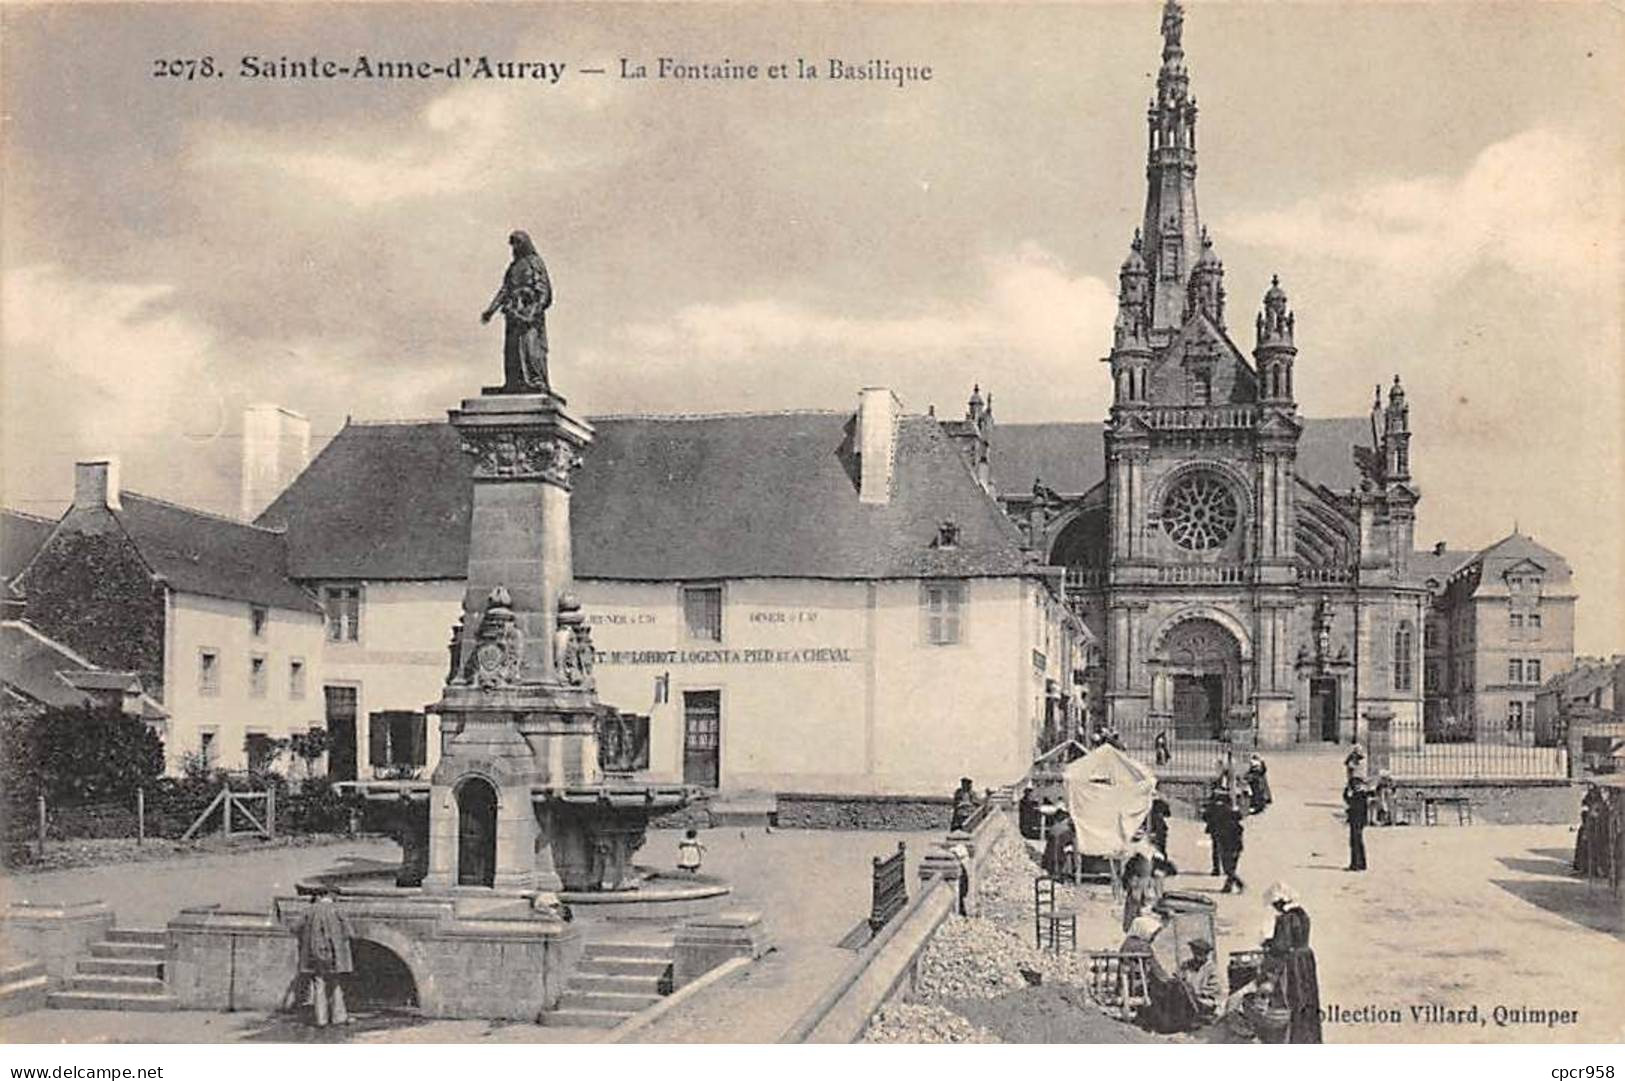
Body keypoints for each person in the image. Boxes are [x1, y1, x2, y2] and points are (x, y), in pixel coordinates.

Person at [481, 229, 553, 393]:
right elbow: (505, 290)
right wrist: (491, 310)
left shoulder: (534, 262)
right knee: (512, 349)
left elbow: (544, 289)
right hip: (513, 312)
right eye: (513, 244)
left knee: (530, 347)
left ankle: (535, 380)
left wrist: (536, 309)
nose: (515, 247)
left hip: (529, 313)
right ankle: (514, 382)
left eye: (517, 243)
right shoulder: (513, 267)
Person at [1260, 882, 1323, 1043]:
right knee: (1307, 997)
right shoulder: (1302, 914)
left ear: (1281, 902)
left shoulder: (1285, 919)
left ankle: (1295, 1037)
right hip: (1306, 959)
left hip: (1293, 962)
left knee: (1293, 998)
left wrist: (1268, 945)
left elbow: (1282, 945)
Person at [297, 888, 354, 1027]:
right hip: (335, 954)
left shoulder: (309, 910)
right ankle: (338, 1017)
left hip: (314, 953)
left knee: (319, 983)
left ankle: (321, 1019)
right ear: (331, 895)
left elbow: (296, 927)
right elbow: (350, 932)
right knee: (335, 983)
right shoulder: (338, 910)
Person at [1212, 793, 1246, 893]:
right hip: (1235, 848)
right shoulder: (1237, 826)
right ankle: (1228, 886)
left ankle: (1239, 884)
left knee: (1228, 868)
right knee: (1231, 868)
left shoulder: (1226, 826)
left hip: (1228, 847)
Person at [1344, 773, 1371, 871]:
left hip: (1357, 821)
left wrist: (1347, 790)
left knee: (1355, 842)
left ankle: (1356, 864)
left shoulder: (1360, 795)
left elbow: (1350, 802)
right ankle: (1360, 864)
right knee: (1357, 842)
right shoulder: (1361, 794)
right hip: (1358, 821)